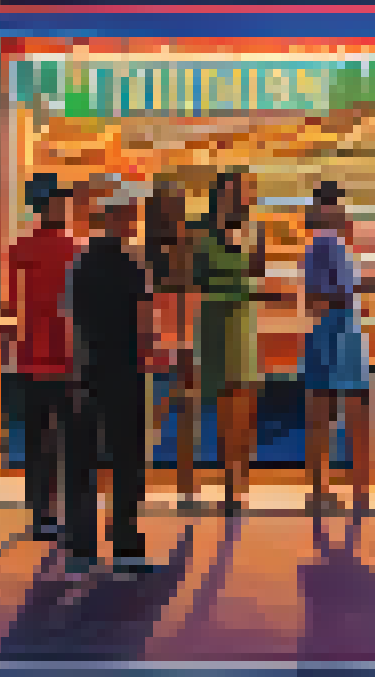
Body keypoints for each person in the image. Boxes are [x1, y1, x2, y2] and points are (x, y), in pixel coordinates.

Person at [64, 175, 159, 573]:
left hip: (87, 366)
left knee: (82, 456)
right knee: (126, 455)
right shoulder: (133, 263)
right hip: (124, 368)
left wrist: (74, 369)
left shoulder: (80, 262)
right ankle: (124, 542)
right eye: (131, 215)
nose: (135, 221)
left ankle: (82, 544)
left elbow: (70, 318)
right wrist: (148, 353)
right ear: (117, 219)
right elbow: (143, 322)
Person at [194, 169, 280, 515]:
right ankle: (229, 486)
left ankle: (239, 479)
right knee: (226, 404)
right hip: (217, 323)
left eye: (245, 193)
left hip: (244, 321)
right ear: (220, 194)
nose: (242, 198)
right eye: (236, 192)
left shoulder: (253, 230)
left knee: (245, 403)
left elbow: (258, 271)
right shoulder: (201, 233)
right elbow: (196, 279)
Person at [302, 180, 375, 515]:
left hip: (325, 335)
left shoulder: (321, 244)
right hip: (340, 338)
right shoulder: (329, 243)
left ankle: (321, 492)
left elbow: (315, 296)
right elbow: (321, 295)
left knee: (322, 415)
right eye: (335, 204)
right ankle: (358, 493)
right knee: (355, 415)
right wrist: (366, 284)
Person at [5, 173, 78, 537]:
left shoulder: (19, 251)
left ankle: (41, 513)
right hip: (65, 358)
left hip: (31, 356)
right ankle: (62, 510)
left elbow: (9, 305)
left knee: (38, 440)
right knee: (66, 438)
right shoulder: (76, 252)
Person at [145, 182, 202, 510]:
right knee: (165, 408)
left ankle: (186, 485)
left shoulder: (186, 244)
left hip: (184, 330)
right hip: (164, 331)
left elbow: (191, 283)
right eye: (172, 205)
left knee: (184, 409)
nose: (176, 212)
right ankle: (178, 484)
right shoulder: (154, 251)